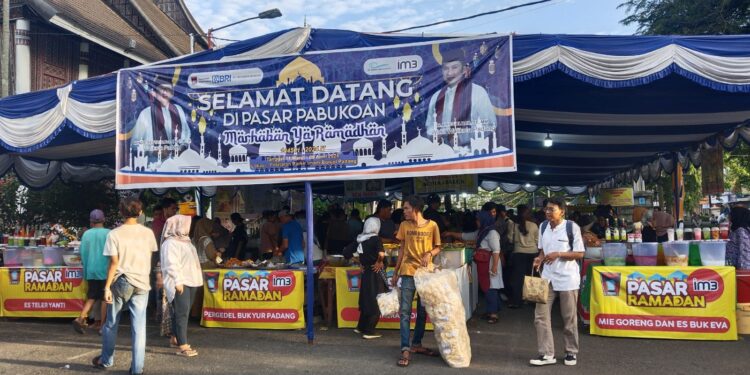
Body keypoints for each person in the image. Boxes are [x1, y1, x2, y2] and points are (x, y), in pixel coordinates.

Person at [92, 197, 158, 374]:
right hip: (142, 282)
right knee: (139, 327)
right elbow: (149, 259)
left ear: (121, 212)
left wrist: (106, 287)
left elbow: (113, 263)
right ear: (141, 212)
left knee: (111, 324)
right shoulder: (148, 233)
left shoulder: (114, 234)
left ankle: (106, 360)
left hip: (121, 281)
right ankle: (137, 369)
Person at [530, 197, 585, 367]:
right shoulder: (543, 226)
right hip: (547, 277)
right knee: (540, 316)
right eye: (546, 209)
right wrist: (539, 259)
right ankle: (547, 354)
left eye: (551, 209)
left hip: (568, 278)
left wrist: (559, 254)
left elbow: (580, 253)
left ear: (562, 211)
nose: (547, 212)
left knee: (569, 318)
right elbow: (542, 250)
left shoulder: (571, 227)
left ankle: (570, 352)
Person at [392, 195, 441, 367]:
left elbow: (438, 247)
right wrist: (396, 272)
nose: (403, 211)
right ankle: (405, 348)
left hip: (425, 274)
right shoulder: (404, 226)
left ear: (416, 209)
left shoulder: (432, 225)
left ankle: (417, 344)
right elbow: (401, 249)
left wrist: (429, 254)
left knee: (422, 311)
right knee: (405, 312)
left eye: (406, 208)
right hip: (407, 272)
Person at [425, 48, 497, 149]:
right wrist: (437, 135)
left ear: (463, 70)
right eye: (446, 68)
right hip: (441, 152)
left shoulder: (477, 92)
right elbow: (429, 126)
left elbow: (490, 124)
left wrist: (460, 137)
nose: (449, 73)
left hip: (470, 153)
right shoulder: (436, 97)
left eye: (454, 67)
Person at [161, 215, 203, 357]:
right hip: (180, 282)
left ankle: (174, 337)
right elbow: (171, 264)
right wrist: (177, 281)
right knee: (182, 313)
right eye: (185, 224)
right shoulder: (170, 243)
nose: (188, 227)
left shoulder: (186, 241)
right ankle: (183, 345)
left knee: (183, 311)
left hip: (192, 280)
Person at [346, 217, 387, 339]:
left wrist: (359, 262)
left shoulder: (360, 238)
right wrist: (379, 262)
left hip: (366, 272)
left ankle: (360, 327)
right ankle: (369, 331)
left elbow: (346, 252)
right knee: (376, 301)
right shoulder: (375, 239)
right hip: (375, 273)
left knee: (366, 300)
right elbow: (381, 254)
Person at [73, 209, 111, 334]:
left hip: (91, 269)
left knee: (92, 296)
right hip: (105, 270)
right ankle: (103, 326)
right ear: (103, 220)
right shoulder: (109, 233)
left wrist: (87, 267)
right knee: (106, 298)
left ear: (91, 221)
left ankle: (81, 318)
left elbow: (83, 253)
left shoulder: (87, 234)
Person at [131, 80, 191, 152]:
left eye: (168, 90)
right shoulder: (145, 113)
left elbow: (187, 134)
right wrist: (153, 151)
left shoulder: (178, 109)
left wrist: (183, 147)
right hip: (154, 161)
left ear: (172, 94)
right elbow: (134, 144)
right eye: (161, 89)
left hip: (177, 160)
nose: (164, 92)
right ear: (155, 93)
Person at [506, 205, 539, 308]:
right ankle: (533, 301)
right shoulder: (534, 225)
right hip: (533, 253)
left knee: (518, 279)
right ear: (528, 213)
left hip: (518, 254)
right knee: (532, 277)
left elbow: (510, 239)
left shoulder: (514, 225)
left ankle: (517, 302)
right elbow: (538, 241)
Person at [475, 211, 503, 323]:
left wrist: (494, 267)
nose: (476, 222)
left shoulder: (492, 233)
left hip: (490, 262)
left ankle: (493, 314)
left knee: (491, 287)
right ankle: (491, 310)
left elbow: (496, 250)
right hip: (484, 262)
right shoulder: (483, 231)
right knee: (487, 287)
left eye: (478, 220)